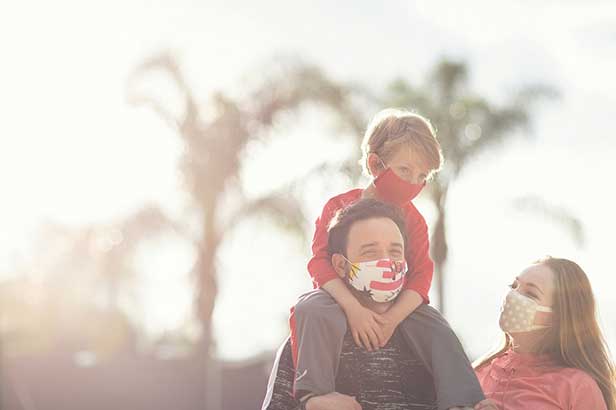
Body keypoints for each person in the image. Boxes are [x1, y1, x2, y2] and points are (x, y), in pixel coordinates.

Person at [290, 109, 484, 410]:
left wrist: (391, 319)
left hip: (395, 304)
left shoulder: (415, 222)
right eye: (405, 170)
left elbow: (420, 278)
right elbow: (319, 263)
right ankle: (315, 395)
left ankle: (466, 402)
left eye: (423, 176)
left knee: (434, 325)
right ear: (375, 164)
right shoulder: (339, 206)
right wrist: (353, 309)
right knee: (311, 307)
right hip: (343, 297)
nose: (414, 183)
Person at [263, 199, 438, 410]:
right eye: (370, 252)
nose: (385, 262)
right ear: (340, 265)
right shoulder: (310, 337)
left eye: (394, 252)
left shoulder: (429, 338)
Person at [473, 257, 616, 410]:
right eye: (514, 286)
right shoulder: (480, 369)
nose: (511, 296)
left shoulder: (577, 387)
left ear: (558, 317)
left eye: (530, 294)